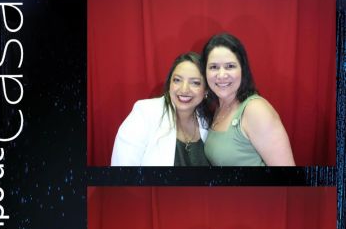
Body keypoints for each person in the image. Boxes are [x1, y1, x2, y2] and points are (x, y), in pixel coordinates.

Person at [201, 33, 295, 166]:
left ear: (242, 69)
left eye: (230, 66)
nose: (221, 75)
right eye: (214, 67)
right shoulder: (219, 108)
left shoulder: (256, 110)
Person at [111, 52, 209, 166]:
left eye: (195, 83)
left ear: (206, 90)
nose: (184, 89)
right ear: (169, 83)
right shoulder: (145, 113)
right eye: (177, 80)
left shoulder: (208, 121)